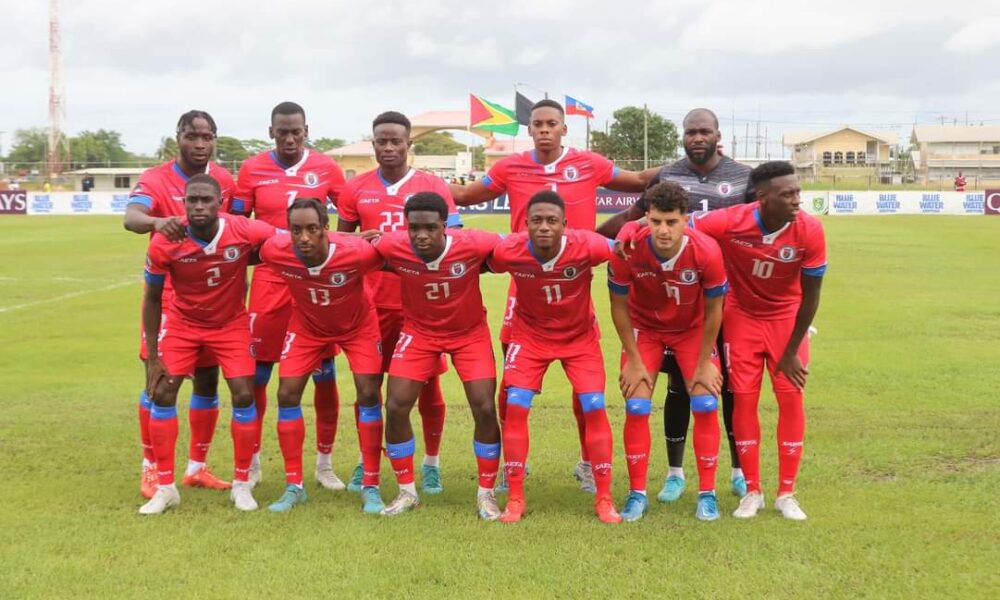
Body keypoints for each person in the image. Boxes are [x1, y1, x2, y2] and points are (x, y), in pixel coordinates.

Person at [451, 99, 657, 492]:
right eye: (538, 124)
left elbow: (638, 181)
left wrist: (688, 166)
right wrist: (416, 181)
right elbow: (463, 196)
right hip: (524, 283)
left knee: (585, 388)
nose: (544, 129)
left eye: (551, 124)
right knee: (512, 385)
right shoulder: (510, 167)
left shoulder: (588, 163)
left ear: (564, 129)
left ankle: (587, 462)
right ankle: (513, 463)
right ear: (529, 129)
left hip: (574, 282)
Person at [598, 108, 753, 503]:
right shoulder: (668, 176)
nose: (697, 137)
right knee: (676, 388)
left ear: (718, 134)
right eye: (690, 131)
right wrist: (587, 242)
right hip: (669, 297)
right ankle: (674, 473)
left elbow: (758, 224)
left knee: (728, 387)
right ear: (683, 136)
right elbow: (636, 218)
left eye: (704, 131)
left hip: (725, 297)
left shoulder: (742, 176)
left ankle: (738, 471)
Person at [689, 161, 826, 520]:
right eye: (787, 194)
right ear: (762, 197)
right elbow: (678, 225)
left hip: (787, 319)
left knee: (791, 398)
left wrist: (792, 349)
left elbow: (811, 296)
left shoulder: (810, 229)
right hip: (742, 318)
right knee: (744, 400)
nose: (797, 200)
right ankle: (753, 491)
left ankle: (787, 493)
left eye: (797, 192)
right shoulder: (731, 221)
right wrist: (629, 234)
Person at [337, 111, 462, 495]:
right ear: (373, 144)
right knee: (368, 388)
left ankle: (431, 464)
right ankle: (367, 461)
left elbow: (455, 242)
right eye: (381, 141)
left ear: (410, 144)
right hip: (371, 306)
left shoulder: (432, 186)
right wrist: (359, 242)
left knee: (428, 388)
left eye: (396, 141)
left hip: (419, 305)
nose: (388, 147)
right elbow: (341, 246)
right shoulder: (355, 188)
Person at [140, 174, 276, 514]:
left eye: (206, 200)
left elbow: (292, 239)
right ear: (184, 203)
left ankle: (242, 484)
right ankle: (166, 487)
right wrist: (153, 356)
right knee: (163, 391)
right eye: (192, 200)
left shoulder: (243, 229)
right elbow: (152, 299)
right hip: (183, 324)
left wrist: (348, 239)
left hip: (230, 324)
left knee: (243, 393)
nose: (199, 206)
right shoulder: (165, 240)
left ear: (220, 203)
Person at [230, 101, 347, 490]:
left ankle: (325, 464)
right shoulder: (251, 169)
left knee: (324, 374)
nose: (290, 138)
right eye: (282, 132)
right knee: (259, 375)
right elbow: (237, 224)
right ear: (271, 132)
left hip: (314, 283)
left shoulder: (327, 168)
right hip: (271, 281)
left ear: (306, 131)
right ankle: (252, 463)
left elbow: (348, 216)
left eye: (296, 131)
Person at [486, 190, 621, 524]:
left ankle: (604, 497)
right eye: (536, 220)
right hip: (529, 338)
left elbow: (624, 246)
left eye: (551, 221)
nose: (544, 227)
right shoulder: (509, 250)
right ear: (525, 224)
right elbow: (477, 253)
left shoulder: (588, 246)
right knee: (516, 403)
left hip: (579, 340)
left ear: (565, 224)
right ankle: (515, 497)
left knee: (594, 405)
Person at [124, 110, 237, 498]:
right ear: (178, 138)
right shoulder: (156, 178)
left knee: (207, 380)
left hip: (213, 298)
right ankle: (151, 467)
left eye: (207, 137)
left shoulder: (223, 181)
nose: (200, 144)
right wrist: (157, 222)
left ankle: (197, 467)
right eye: (192, 136)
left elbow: (237, 228)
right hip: (169, 299)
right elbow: (131, 217)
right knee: (158, 381)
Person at [372, 192, 503, 519]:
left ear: (445, 226)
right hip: (419, 333)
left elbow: (516, 244)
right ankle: (407, 492)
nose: (421, 235)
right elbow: (349, 248)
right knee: (396, 405)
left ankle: (486, 494)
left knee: (485, 406)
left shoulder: (473, 243)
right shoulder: (393, 245)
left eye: (430, 228)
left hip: (469, 334)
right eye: (414, 228)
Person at [608, 182, 727, 522]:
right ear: (646, 217)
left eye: (671, 222)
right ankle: (637, 494)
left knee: (705, 403)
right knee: (636, 405)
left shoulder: (706, 251)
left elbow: (715, 311)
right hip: (645, 330)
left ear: (686, 220)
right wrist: (633, 359)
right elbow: (618, 306)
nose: (663, 230)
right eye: (656, 221)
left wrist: (704, 363)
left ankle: (707, 494)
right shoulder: (629, 249)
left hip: (692, 330)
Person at [258, 199, 386, 513]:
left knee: (369, 392)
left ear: (326, 229)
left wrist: (356, 238)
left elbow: (391, 254)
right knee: (287, 393)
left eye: (312, 229)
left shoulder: (358, 253)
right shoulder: (275, 251)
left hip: (358, 327)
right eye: (296, 230)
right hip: (307, 328)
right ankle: (294, 486)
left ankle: (371, 484)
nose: (304, 237)